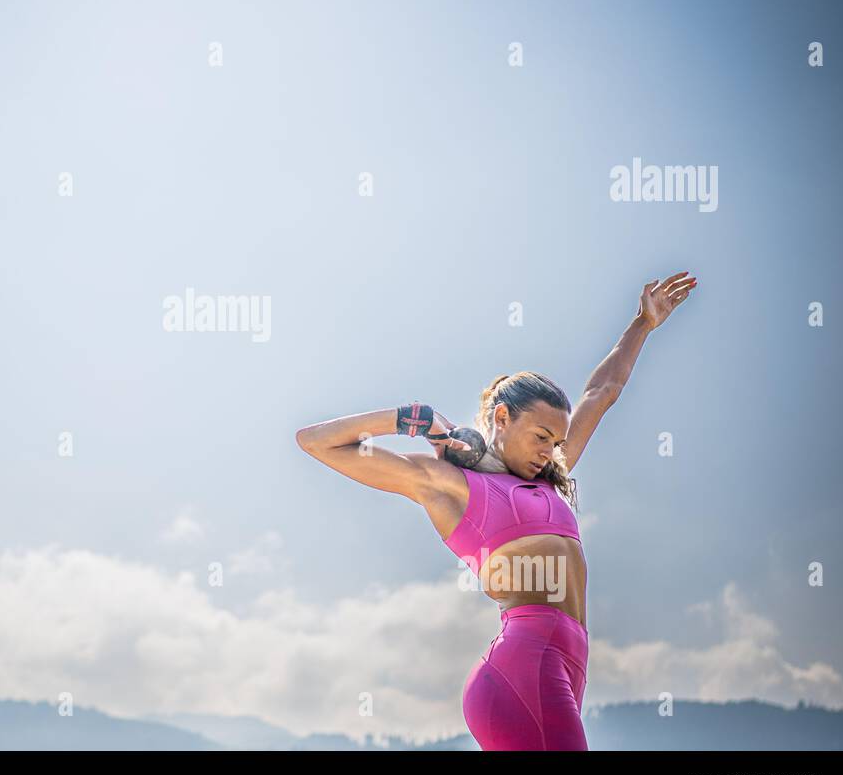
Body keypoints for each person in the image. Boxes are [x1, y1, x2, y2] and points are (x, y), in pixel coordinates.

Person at [295, 272, 697, 749]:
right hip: (525, 664)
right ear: (502, 419)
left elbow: (601, 392)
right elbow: (316, 442)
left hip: (565, 666)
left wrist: (642, 325)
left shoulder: (551, 478)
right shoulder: (459, 487)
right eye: (541, 437)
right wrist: (410, 418)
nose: (550, 451)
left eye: (557, 441)